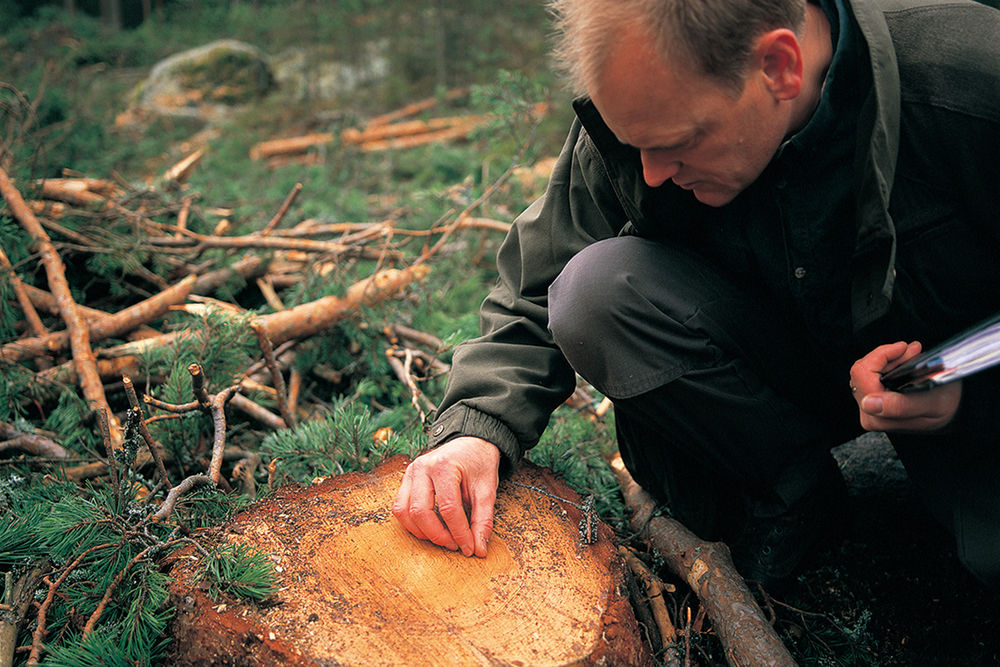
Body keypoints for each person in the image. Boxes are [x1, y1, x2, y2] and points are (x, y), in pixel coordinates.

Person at [393, 0, 1000, 589]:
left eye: (678, 142)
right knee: (595, 290)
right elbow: (539, 274)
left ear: (778, 66)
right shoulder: (646, 103)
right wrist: (477, 428)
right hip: (786, 360)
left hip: (947, 385)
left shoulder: (972, 83)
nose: (652, 172)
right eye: (637, 145)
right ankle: (798, 498)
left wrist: (962, 391)